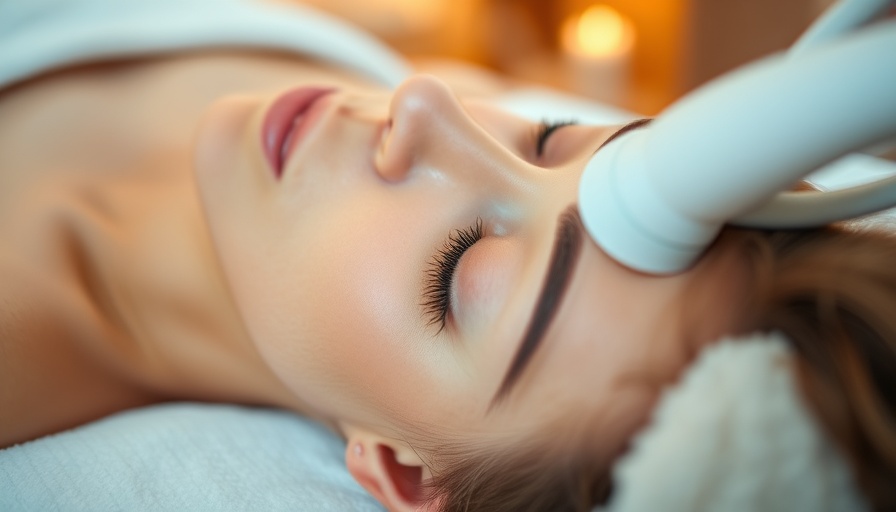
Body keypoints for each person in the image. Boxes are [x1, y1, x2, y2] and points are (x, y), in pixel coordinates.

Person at [1, 1, 895, 511]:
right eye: (550, 139)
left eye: (459, 265)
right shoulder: (413, 78)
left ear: (402, 470)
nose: (426, 108)